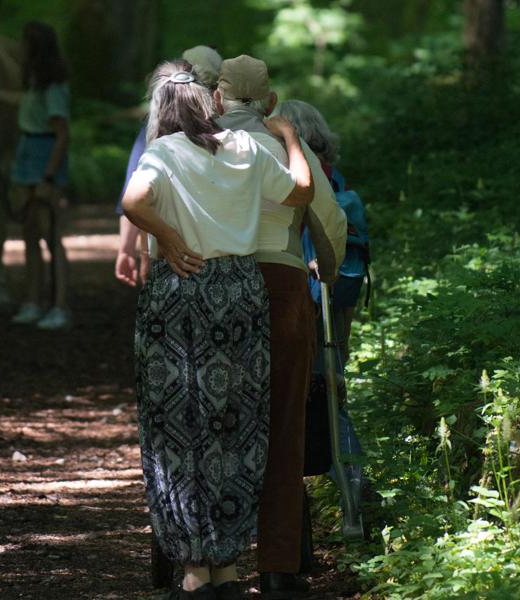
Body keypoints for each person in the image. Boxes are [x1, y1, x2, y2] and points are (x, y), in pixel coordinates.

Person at [121, 60, 314, 600]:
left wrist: (168, 237)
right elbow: (300, 192)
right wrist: (290, 136)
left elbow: (133, 201)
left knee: (179, 425)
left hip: (182, 291)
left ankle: (194, 570)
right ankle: (227, 567)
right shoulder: (246, 148)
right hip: (240, 290)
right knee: (238, 421)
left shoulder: (163, 151)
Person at [213, 56, 347, 599]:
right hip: (283, 285)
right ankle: (277, 566)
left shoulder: (196, 146)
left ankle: (213, 558)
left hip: (216, 288)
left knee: (217, 422)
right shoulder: (286, 147)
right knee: (284, 424)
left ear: (217, 100)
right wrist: (330, 277)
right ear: (269, 103)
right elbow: (330, 222)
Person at [277, 98, 368, 509]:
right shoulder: (340, 182)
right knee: (330, 393)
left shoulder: (296, 182)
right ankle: (352, 482)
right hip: (335, 306)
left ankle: (350, 486)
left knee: (317, 398)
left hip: (306, 306)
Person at [0, 21, 71, 330]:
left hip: (43, 156)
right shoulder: (35, 83)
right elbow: (25, 102)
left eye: (25, 43)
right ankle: (32, 301)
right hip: (28, 152)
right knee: (29, 235)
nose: (19, 48)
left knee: (50, 236)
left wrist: (49, 176)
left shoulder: (55, 86)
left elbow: (61, 134)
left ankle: (59, 306)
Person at [115, 46, 223, 287]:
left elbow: (133, 197)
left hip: (169, 261)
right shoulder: (232, 135)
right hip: (227, 267)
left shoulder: (155, 133)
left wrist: (131, 250)